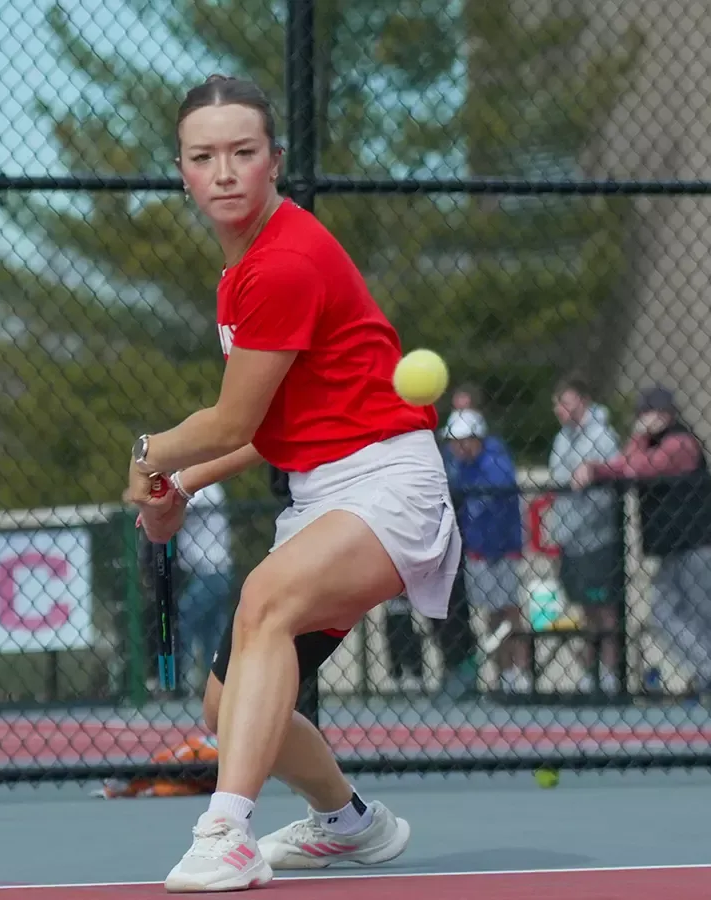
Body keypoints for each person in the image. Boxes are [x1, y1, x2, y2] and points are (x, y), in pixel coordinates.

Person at [125, 74, 462, 893]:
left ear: (274, 160)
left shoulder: (284, 262)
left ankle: (225, 831)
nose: (226, 170)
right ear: (183, 172)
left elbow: (232, 421)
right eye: (205, 157)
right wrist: (186, 484)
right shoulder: (240, 273)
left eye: (244, 152)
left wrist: (149, 457)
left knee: (266, 603)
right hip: (322, 492)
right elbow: (274, 428)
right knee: (227, 708)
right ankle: (349, 825)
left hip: (389, 484)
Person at [574, 386, 711, 695]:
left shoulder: (681, 442)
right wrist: (594, 468)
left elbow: (639, 469)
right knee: (661, 612)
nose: (649, 419)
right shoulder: (649, 444)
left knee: (704, 615)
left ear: (670, 414)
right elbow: (623, 465)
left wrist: (637, 439)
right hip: (673, 545)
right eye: (644, 414)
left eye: (655, 413)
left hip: (698, 542)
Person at [439, 407, 527, 695]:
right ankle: (504, 675)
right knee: (492, 614)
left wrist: (497, 548)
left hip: (502, 551)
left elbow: (497, 505)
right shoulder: (460, 465)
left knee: (510, 611)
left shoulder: (495, 463)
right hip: (478, 551)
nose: (455, 448)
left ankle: (520, 673)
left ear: (474, 439)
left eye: (460, 442)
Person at [548, 375, 623, 694]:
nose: (560, 409)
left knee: (604, 608)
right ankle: (590, 671)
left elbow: (604, 487)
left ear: (583, 401)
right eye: (557, 403)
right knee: (585, 609)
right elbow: (558, 477)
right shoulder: (562, 438)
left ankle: (609, 672)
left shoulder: (602, 436)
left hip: (596, 538)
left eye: (566, 401)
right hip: (571, 538)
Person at [176, 481, 235, 694]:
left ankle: (184, 682)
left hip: (212, 572)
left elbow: (173, 502)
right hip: (208, 572)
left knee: (185, 617)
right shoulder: (208, 487)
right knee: (212, 631)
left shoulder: (204, 488)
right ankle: (216, 685)